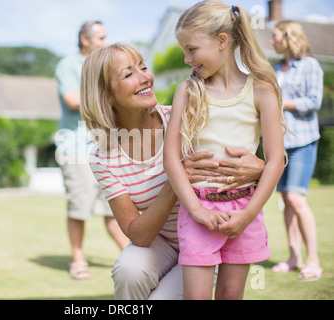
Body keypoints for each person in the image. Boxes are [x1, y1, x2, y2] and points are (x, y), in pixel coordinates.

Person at [80, 42, 265, 299]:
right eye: (129, 74)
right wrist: (177, 177)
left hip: (206, 240)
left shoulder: (184, 117)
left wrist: (260, 168)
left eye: (143, 67)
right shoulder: (102, 157)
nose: (145, 77)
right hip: (163, 242)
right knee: (128, 270)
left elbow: (235, 158)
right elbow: (138, 235)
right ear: (106, 95)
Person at [163, 0, 286, 299]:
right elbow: (171, 158)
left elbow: (275, 161)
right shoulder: (188, 91)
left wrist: (248, 215)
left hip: (245, 211)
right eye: (184, 50)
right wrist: (196, 210)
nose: (186, 58)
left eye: (192, 49)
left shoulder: (262, 91)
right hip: (199, 212)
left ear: (222, 41)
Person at [54, 20, 128, 280]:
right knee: (79, 207)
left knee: (113, 207)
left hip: (104, 146)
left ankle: (132, 257)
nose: (105, 43)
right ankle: (78, 260)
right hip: (74, 148)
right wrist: (109, 94)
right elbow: (73, 100)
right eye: (100, 38)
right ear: (85, 40)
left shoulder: (103, 66)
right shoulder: (68, 65)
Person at [270, 20, 323, 280]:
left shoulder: (310, 65)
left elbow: (313, 101)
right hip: (280, 145)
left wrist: (281, 102)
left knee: (295, 198)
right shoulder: (277, 68)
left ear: (289, 37)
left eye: (276, 36)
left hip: (303, 140)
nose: (272, 41)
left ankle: (313, 260)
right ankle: (294, 258)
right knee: (285, 201)